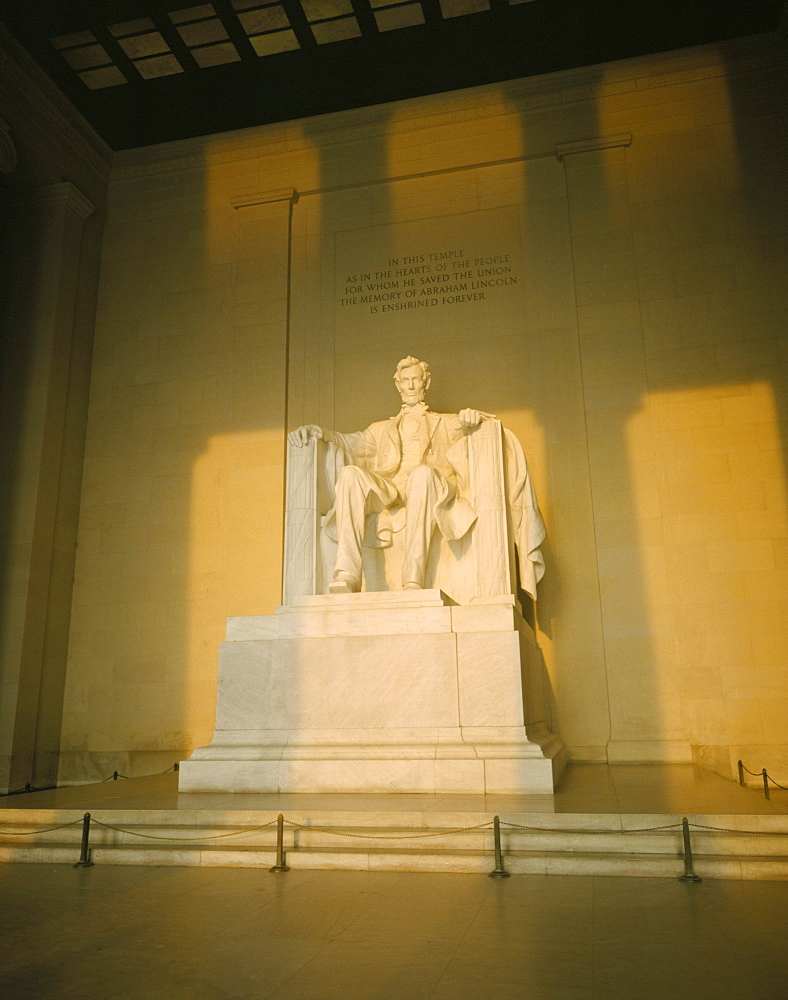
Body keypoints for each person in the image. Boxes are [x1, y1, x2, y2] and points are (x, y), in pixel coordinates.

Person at [288, 356, 492, 593]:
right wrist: (320, 432)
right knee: (350, 474)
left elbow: (477, 427)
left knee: (422, 474)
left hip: (428, 486)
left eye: (416, 379)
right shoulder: (380, 429)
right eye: (406, 381)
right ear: (399, 385)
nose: (411, 386)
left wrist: (470, 418)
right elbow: (349, 442)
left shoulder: (446, 423)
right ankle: (346, 573)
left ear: (426, 383)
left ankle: (413, 578)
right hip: (390, 488)